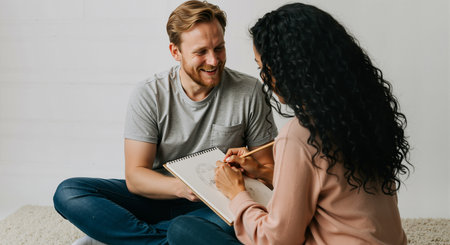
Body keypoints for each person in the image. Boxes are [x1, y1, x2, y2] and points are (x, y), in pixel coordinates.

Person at [167, 2, 411, 245]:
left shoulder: (299, 134)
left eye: (263, 68)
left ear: (288, 70)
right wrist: (262, 171)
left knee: (183, 229)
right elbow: (325, 189)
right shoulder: (361, 112)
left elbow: (278, 240)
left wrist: (236, 193)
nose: (266, 80)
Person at [52, 1, 277, 244]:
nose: (213, 61)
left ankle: (130, 237)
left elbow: (271, 175)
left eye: (219, 48)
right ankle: (167, 238)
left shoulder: (250, 91)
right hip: (157, 197)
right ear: (175, 51)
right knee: (69, 192)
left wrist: (247, 167)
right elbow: (136, 176)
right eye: (201, 52)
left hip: (218, 205)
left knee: (225, 221)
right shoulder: (150, 94)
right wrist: (183, 188)